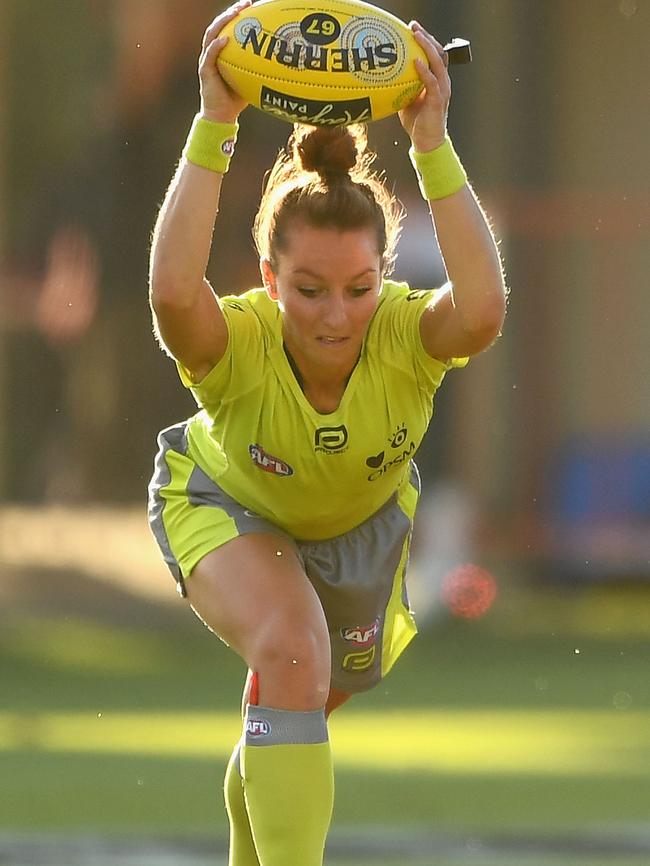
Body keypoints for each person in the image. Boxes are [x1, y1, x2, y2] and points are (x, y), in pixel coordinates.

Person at [147, 1, 506, 863]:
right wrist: (213, 122)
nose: (335, 315)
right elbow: (169, 294)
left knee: (290, 705)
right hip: (227, 506)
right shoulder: (237, 345)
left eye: (356, 287)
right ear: (269, 277)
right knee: (293, 650)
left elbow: (486, 310)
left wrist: (431, 141)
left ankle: (250, 804)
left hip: (361, 533)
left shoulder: (404, 338)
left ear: (382, 275)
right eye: (308, 289)